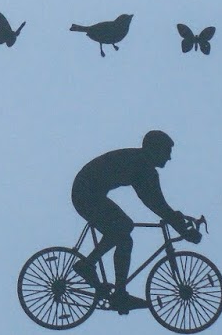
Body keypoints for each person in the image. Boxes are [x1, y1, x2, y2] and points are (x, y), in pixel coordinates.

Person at [70, 130, 199, 313]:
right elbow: (156, 204)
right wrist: (183, 229)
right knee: (124, 227)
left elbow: (158, 203)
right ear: (155, 149)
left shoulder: (143, 165)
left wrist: (178, 223)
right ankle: (94, 272)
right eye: (167, 152)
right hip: (86, 193)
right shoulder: (142, 166)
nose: (169, 157)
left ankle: (112, 287)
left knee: (123, 234)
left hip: (87, 191)